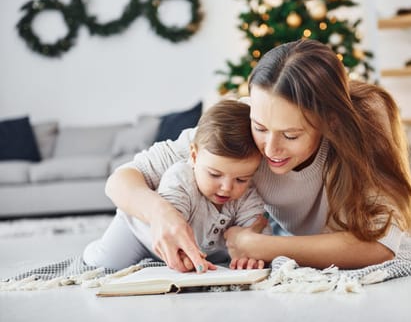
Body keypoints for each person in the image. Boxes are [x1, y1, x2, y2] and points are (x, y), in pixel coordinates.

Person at [105, 38, 411, 272]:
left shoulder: (364, 125)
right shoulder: (240, 122)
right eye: (260, 127)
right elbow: (121, 180)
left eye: (291, 135)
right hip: (288, 234)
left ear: (330, 122)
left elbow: (380, 246)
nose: (269, 149)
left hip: (302, 238)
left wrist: (262, 246)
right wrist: (162, 214)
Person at [83, 100, 271, 271]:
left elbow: (258, 238)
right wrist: (186, 257)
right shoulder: (181, 177)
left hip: (208, 248)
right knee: (104, 263)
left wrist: (251, 255)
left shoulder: (248, 194)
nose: (226, 188)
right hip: (139, 234)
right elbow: (172, 233)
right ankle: (94, 248)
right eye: (214, 174)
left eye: (241, 179)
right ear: (194, 156)